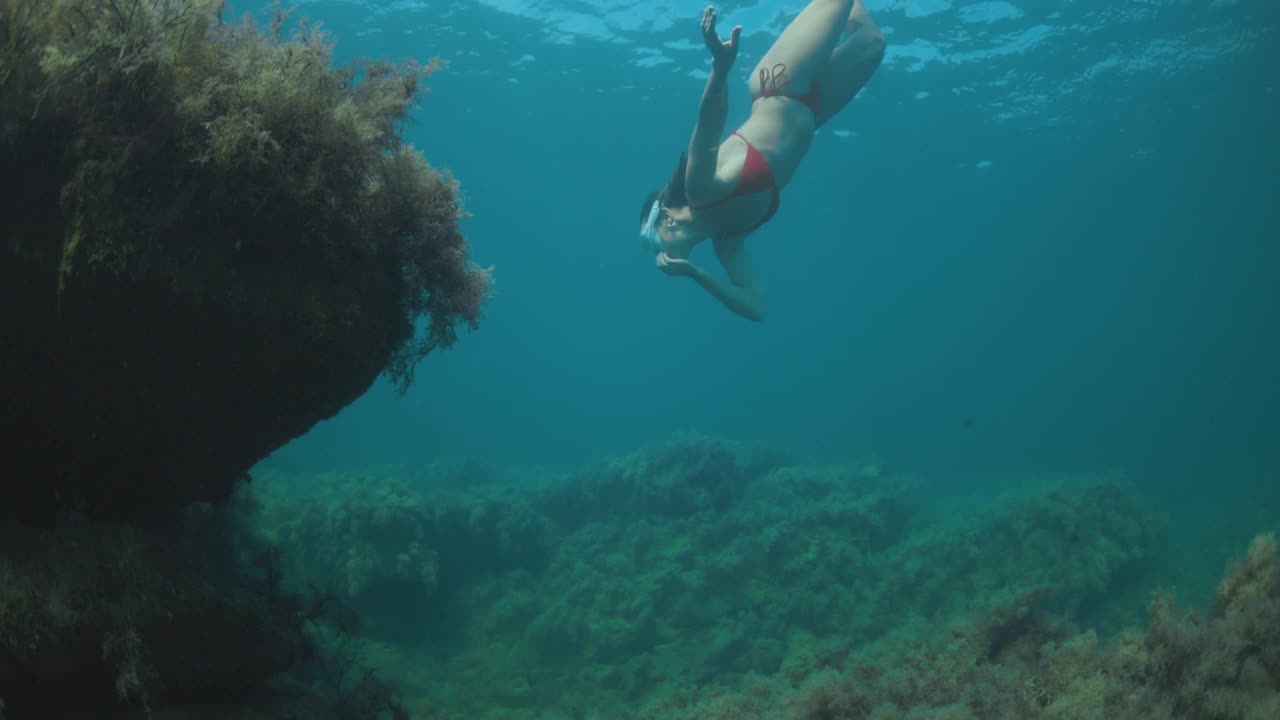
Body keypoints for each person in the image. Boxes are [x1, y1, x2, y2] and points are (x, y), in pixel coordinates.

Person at [637, 1, 885, 320]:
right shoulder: (729, 241)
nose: (655, 252)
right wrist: (696, 274)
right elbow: (756, 306)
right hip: (814, 110)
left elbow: (708, 124)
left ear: (667, 216)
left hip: (780, 83)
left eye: (650, 240)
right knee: (872, 42)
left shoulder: (699, 189)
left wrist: (720, 67)